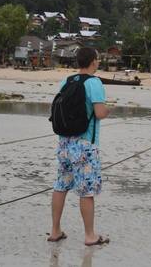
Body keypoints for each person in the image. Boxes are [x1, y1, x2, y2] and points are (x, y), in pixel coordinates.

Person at [48, 47, 110, 246]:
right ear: (93, 61)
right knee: (86, 190)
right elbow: (100, 113)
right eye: (98, 59)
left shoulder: (67, 81)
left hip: (64, 143)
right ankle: (90, 235)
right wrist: (109, 110)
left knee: (61, 186)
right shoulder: (94, 83)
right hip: (84, 145)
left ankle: (55, 230)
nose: (98, 62)